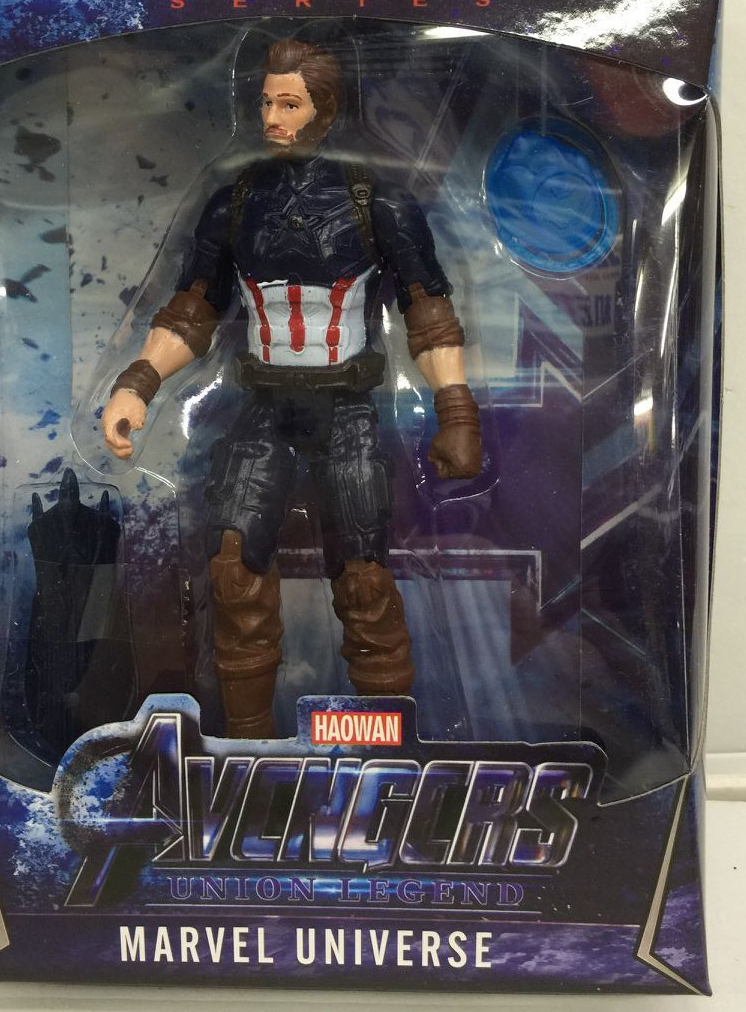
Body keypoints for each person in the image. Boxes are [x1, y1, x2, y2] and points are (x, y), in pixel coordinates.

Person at [102, 38, 482, 737]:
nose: (273, 118)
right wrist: (138, 382)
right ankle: (248, 753)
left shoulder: (378, 203)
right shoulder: (234, 204)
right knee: (232, 571)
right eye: (266, 103)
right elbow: (194, 310)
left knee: (365, 582)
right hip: (266, 408)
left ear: (324, 109)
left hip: (348, 411)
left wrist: (456, 410)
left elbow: (427, 312)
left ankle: (377, 751)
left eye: (289, 104)